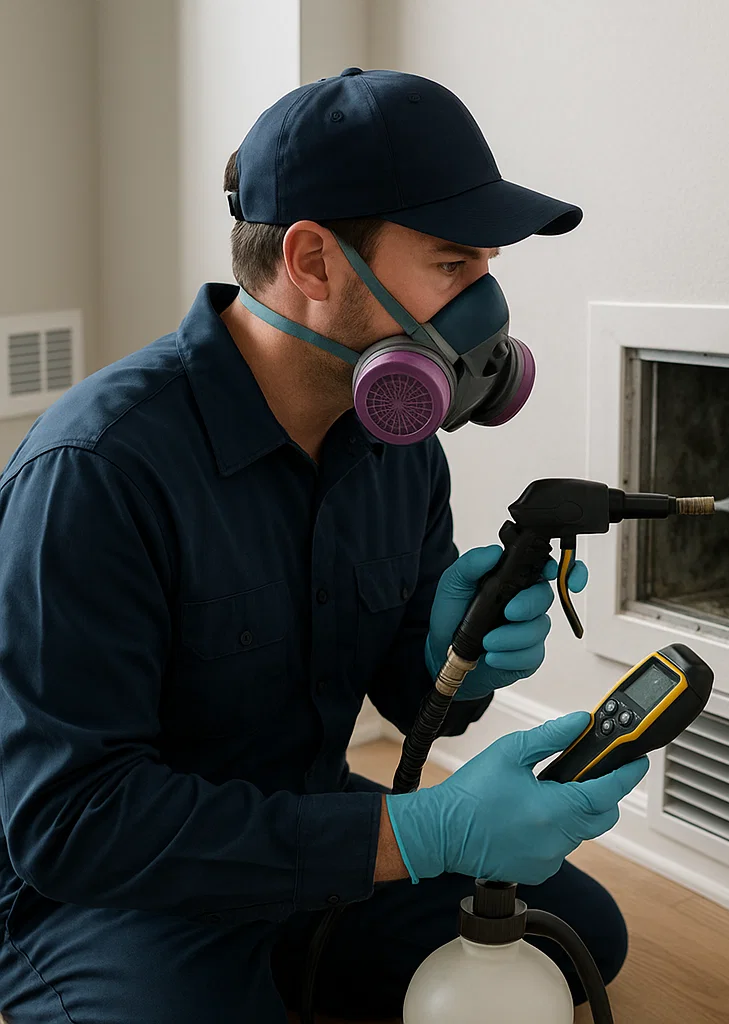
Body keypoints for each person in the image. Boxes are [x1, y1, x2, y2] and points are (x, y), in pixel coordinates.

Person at [0, 69, 648, 1023]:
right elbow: (71, 824)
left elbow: (403, 694)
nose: (486, 308)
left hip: (301, 823)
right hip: (114, 889)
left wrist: (451, 664)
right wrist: (417, 834)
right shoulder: (96, 469)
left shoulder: (399, 448)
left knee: (580, 935)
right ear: (312, 263)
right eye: (454, 266)